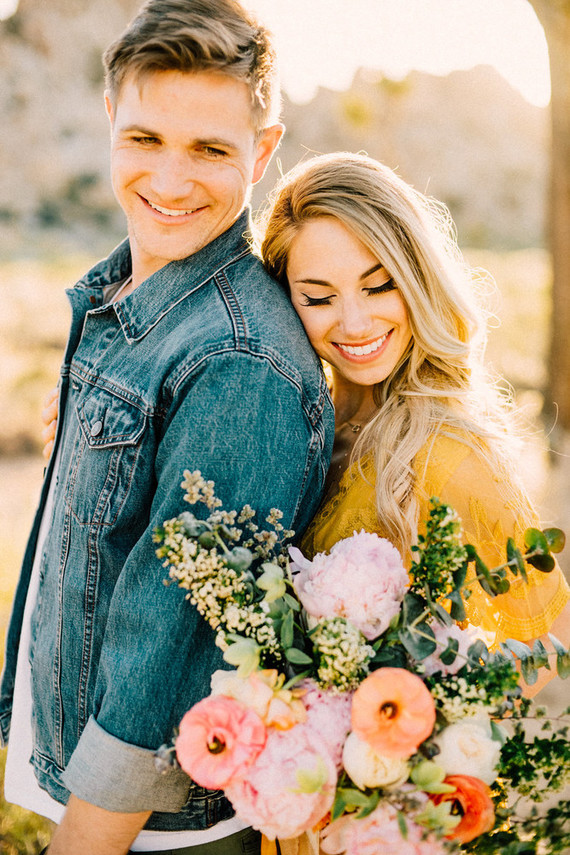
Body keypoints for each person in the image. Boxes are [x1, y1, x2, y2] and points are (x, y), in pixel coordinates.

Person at [0, 3, 334, 854]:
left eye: (212, 150)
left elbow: (170, 635)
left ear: (262, 152)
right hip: (83, 766)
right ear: (111, 119)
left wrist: (85, 838)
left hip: (146, 827)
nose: (172, 179)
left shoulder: (238, 359)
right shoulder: (132, 298)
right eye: (146, 139)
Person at [260, 152, 570, 688]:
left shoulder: (451, 458)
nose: (355, 323)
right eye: (318, 297)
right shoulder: (291, 425)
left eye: (378, 286)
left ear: (417, 277)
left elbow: (550, 638)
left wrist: (427, 738)